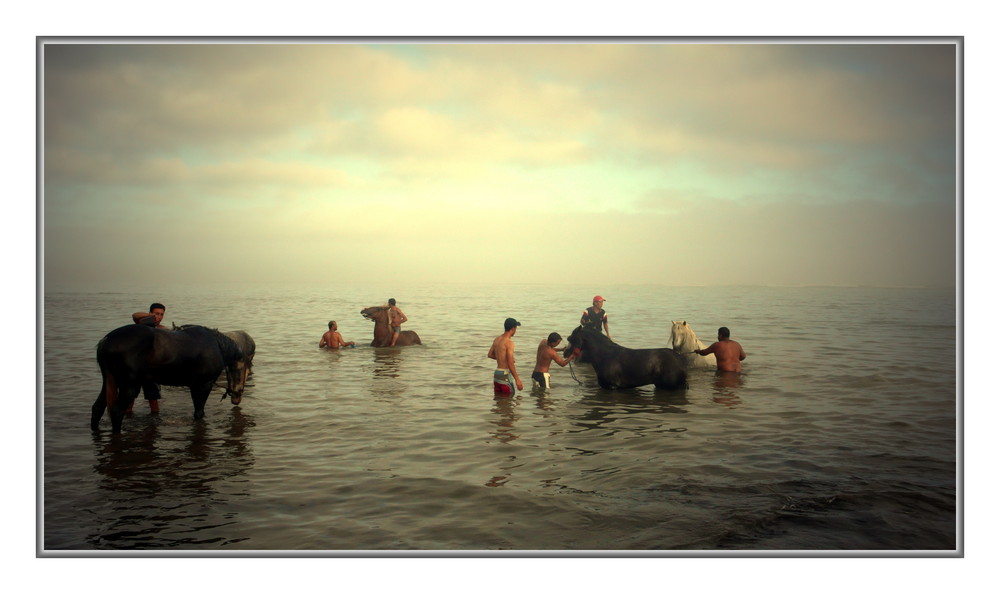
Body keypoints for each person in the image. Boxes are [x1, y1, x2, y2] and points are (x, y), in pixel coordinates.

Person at [129, 302, 167, 413]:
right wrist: (150, 317)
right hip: (135, 369)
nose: (159, 317)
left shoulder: (163, 329)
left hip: (151, 370)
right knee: (129, 400)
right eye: (156, 313)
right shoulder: (141, 324)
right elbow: (135, 315)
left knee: (154, 402)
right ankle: (128, 425)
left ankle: (153, 426)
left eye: (161, 314)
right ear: (150, 313)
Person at [488, 317, 524, 396]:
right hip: (505, 375)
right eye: (516, 328)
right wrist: (517, 380)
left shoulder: (497, 339)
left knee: (499, 401)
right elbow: (510, 363)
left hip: (497, 374)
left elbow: (490, 355)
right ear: (513, 328)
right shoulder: (509, 342)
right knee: (509, 402)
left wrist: (503, 358)